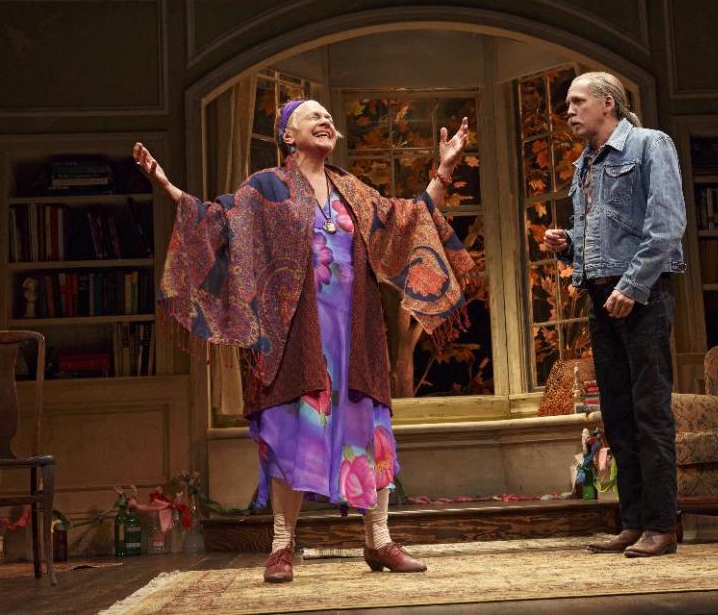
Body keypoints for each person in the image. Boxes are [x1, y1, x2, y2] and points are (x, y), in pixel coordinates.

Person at [133, 99, 477, 582]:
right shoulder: (266, 188)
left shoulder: (351, 188)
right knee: (293, 430)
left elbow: (405, 220)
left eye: (329, 116)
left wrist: (441, 172)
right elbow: (217, 220)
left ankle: (378, 540)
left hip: (355, 335)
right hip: (297, 336)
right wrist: (167, 187)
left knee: (369, 425)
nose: (326, 120)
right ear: (287, 136)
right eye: (313, 116)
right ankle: (281, 545)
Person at [543, 72, 686, 558]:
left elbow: (666, 226)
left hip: (641, 297)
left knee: (649, 410)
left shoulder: (649, 145)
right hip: (601, 298)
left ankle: (662, 525)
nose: (569, 111)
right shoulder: (584, 164)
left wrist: (633, 286)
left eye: (577, 102)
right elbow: (601, 240)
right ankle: (633, 521)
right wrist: (568, 249)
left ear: (608, 103)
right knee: (617, 416)